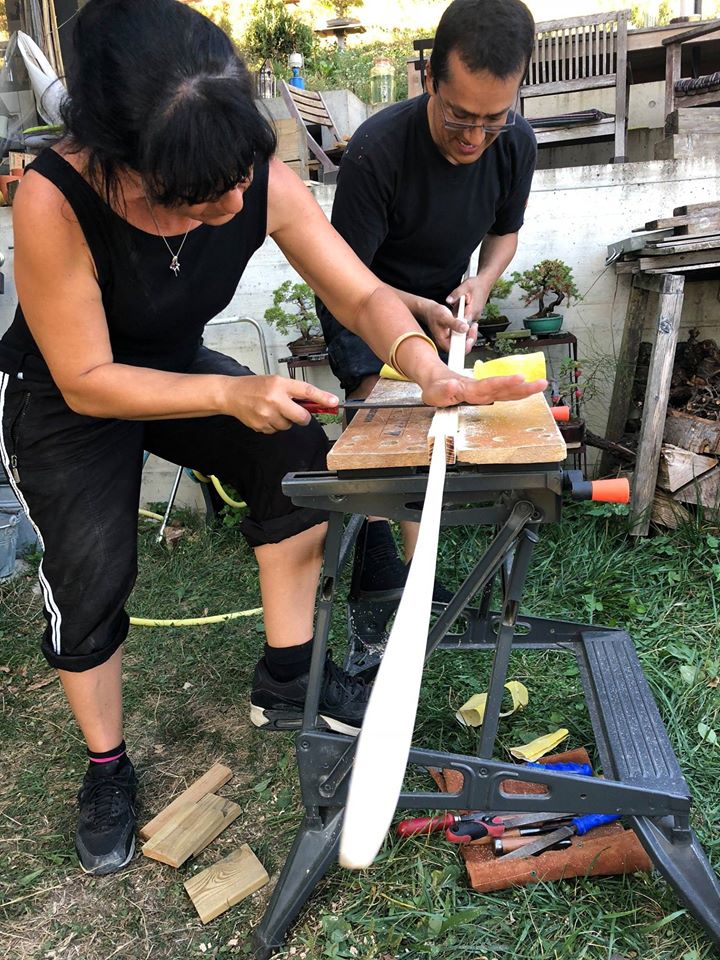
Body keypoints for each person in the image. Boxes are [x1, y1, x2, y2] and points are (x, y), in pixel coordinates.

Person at [0, 0, 545, 879]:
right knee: (93, 571)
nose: (224, 210)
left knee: (293, 460)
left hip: (178, 365)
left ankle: (288, 679)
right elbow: (87, 378)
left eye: (233, 192)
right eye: (191, 203)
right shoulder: (53, 199)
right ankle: (106, 766)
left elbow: (360, 292)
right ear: (121, 161)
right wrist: (228, 389)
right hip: (70, 395)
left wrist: (422, 367)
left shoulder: (250, 171)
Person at [317, 0, 538, 599]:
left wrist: (481, 282)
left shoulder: (515, 142)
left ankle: (419, 588)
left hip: (444, 304)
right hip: (363, 305)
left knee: (436, 427)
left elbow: (504, 232)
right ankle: (391, 569)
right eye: (460, 116)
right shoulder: (377, 150)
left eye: (493, 119)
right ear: (429, 81)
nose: (475, 138)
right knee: (399, 438)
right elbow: (347, 281)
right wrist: (413, 310)